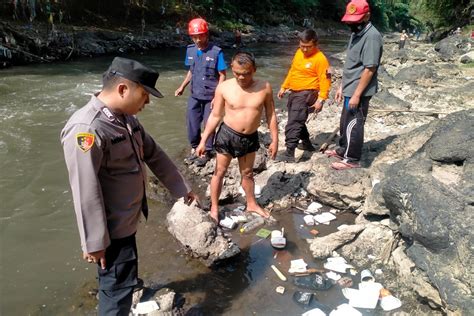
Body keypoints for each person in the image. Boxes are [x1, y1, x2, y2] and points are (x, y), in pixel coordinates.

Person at [61, 57, 199, 315]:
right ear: (124, 89)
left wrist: (181, 187)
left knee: (123, 281)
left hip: (127, 221)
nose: (147, 102)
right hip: (110, 233)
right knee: (115, 296)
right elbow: (85, 189)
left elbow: (153, 153)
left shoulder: (124, 119)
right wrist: (94, 242)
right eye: (145, 95)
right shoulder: (87, 128)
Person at [196, 52, 278, 223]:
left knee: (247, 173)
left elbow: (270, 114)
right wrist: (203, 141)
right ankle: (214, 207)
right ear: (232, 68)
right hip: (227, 135)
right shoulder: (224, 87)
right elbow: (215, 115)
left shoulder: (264, 87)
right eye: (237, 73)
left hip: (250, 137)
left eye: (246, 73)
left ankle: (251, 204)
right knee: (219, 172)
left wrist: (275, 140)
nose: (241, 77)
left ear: (254, 70)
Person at [326, 0, 383, 170]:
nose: (353, 24)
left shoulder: (372, 37)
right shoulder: (356, 33)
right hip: (350, 86)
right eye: (351, 20)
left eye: (357, 20)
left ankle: (352, 159)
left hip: (360, 89)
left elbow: (369, 68)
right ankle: (343, 149)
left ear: (367, 16)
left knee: (354, 123)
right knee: (345, 121)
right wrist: (342, 85)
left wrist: (357, 94)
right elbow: (351, 63)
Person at [175, 18, 227, 167]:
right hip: (195, 94)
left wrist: (218, 96)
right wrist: (182, 86)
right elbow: (191, 71)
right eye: (194, 37)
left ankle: (207, 151)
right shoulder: (190, 50)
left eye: (200, 36)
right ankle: (195, 147)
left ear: (207, 34)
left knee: (208, 123)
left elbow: (223, 75)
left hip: (210, 95)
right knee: (191, 122)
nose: (197, 40)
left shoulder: (216, 52)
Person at [277, 29, 331, 162]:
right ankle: (307, 144)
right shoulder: (298, 53)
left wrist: (321, 99)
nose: (305, 50)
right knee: (297, 118)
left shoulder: (320, 59)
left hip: (307, 93)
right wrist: (284, 86)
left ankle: (289, 153)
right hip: (294, 92)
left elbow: (326, 80)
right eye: (302, 46)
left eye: (308, 47)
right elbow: (293, 71)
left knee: (294, 122)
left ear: (316, 44)